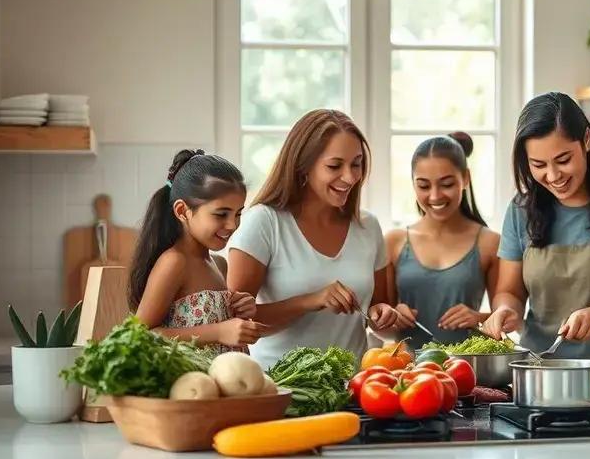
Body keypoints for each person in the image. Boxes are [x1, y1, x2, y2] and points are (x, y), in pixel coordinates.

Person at [483, 92, 590, 396]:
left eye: (563, 160)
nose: (553, 176)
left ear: (586, 140)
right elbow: (509, 291)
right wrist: (506, 310)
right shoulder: (520, 210)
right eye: (538, 165)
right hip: (537, 375)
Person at [227, 109, 400, 369]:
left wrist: (382, 316)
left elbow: (378, 312)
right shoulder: (264, 222)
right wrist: (310, 301)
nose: (351, 177)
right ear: (303, 166)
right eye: (334, 165)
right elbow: (235, 323)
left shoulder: (368, 227)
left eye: (356, 163)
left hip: (352, 390)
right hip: (281, 388)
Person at [129, 149, 262, 354]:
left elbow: (214, 324)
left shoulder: (219, 264)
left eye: (237, 214)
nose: (232, 225)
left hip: (223, 383)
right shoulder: (174, 262)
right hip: (189, 385)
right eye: (221, 214)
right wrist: (218, 332)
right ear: (183, 211)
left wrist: (241, 310)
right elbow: (140, 336)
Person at [386, 132, 501, 349]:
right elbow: (378, 324)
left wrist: (478, 317)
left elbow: (504, 319)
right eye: (423, 185)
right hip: (406, 375)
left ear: (465, 178)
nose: (435, 196)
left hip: (465, 372)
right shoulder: (394, 242)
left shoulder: (489, 243)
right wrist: (394, 315)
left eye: (446, 184)